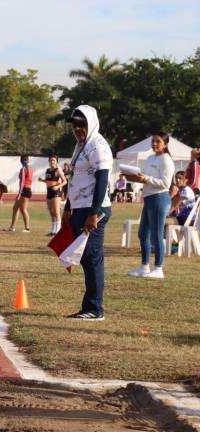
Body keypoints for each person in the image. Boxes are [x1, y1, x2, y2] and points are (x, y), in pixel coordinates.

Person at [62, 105, 112, 321]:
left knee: (92, 258)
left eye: (82, 124)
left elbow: (102, 180)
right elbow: (76, 179)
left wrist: (94, 213)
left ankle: (94, 309)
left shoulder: (97, 146)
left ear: (91, 123)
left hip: (93, 209)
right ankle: (91, 306)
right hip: (79, 207)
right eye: (74, 125)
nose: (78, 129)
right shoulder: (80, 146)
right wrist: (67, 207)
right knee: (84, 257)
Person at [123, 132, 174, 279]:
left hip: (159, 199)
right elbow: (144, 176)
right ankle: (144, 267)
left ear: (165, 144)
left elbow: (165, 183)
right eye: (152, 141)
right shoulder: (150, 158)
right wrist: (134, 176)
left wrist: (147, 178)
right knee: (143, 234)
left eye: (157, 141)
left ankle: (158, 268)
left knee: (156, 236)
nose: (154, 144)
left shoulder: (166, 160)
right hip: (149, 198)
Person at [39, 155, 67, 235]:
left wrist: (57, 186)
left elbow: (65, 181)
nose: (52, 162)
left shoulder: (58, 170)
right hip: (49, 192)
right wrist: (42, 180)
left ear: (56, 162)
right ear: (48, 161)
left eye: (54, 160)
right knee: (51, 212)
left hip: (56, 193)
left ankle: (57, 231)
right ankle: (53, 231)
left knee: (56, 212)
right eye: (51, 160)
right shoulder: (47, 170)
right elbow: (49, 181)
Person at [6, 155, 32, 232]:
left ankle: (27, 228)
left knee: (23, 209)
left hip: (24, 190)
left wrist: (19, 194)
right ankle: (12, 227)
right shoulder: (30, 168)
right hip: (25, 190)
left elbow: (23, 182)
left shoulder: (24, 169)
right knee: (15, 208)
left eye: (24, 160)